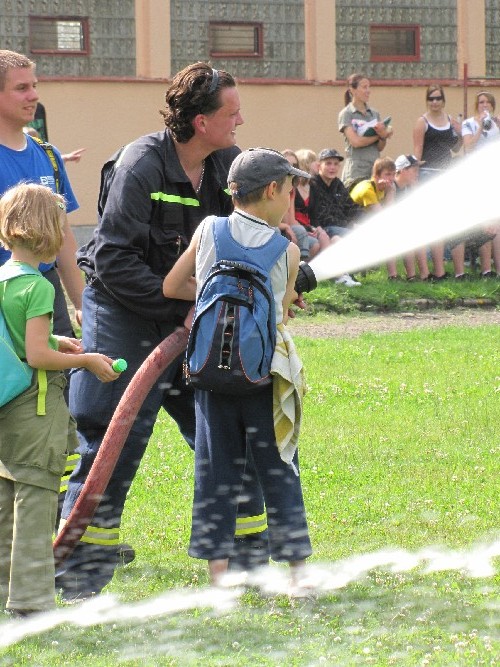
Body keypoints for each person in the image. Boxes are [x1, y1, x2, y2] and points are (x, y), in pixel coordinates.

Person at [58, 62, 272, 600]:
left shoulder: (224, 168)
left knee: (228, 429)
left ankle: (246, 560)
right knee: (114, 437)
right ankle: (79, 570)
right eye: (232, 112)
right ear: (201, 121)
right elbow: (113, 260)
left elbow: (245, 234)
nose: (240, 121)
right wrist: (180, 305)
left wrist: (285, 273)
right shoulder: (140, 166)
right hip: (125, 311)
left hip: (188, 312)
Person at [163, 148, 312, 589]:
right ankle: (299, 578)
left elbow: (173, 285)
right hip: (263, 377)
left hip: (210, 374)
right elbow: (280, 315)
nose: (289, 199)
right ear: (272, 190)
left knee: (215, 473)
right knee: (279, 468)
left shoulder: (208, 228)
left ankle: (217, 581)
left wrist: (211, 292)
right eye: (289, 190)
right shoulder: (287, 250)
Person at [0, 183, 118, 618]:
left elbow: (16, 340)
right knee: (35, 501)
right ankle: (32, 602)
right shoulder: (38, 287)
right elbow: (36, 357)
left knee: (6, 500)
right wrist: (86, 359)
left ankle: (5, 588)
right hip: (34, 407)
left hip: (5, 405)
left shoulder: (4, 278)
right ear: (49, 230)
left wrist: (57, 340)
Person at [0, 50, 83, 342]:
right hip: (5, 294)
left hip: (46, 290)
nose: (34, 95)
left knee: (62, 369)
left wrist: (82, 304)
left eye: (34, 86)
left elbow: (63, 236)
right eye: (22, 88)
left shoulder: (48, 155)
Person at [413, 83, 463, 280]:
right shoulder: (422, 122)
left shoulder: (450, 120)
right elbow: (417, 151)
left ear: (443, 100)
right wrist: (415, 178)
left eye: (438, 98)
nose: (434, 102)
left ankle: (442, 270)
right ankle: (436, 271)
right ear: (427, 101)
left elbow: (456, 148)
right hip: (428, 174)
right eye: (431, 98)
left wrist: (461, 133)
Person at [308, 148, 362, 286]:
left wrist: (356, 222)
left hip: (340, 227)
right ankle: (342, 275)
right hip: (323, 227)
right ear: (319, 166)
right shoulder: (313, 185)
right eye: (328, 163)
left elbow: (352, 207)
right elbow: (315, 214)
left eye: (336, 164)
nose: (332, 167)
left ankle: (344, 275)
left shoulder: (338, 184)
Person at [461, 91, 500, 277]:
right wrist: (480, 127)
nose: (484, 105)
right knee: (484, 221)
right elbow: (468, 146)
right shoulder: (468, 123)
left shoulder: (496, 124)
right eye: (481, 102)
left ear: (492, 105)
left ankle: (498, 269)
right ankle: (485, 268)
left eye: (488, 102)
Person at [338, 73, 393, 191]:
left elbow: (380, 147)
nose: (368, 91)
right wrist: (379, 135)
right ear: (352, 90)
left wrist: (383, 137)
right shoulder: (347, 113)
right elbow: (356, 142)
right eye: (364, 87)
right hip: (356, 170)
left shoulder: (374, 114)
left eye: (369, 87)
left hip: (374, 167)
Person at [350, 157, 398, 279]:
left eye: (393, 174)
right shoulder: (367, 189)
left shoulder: (383, 187)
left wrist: (390, 191)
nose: (392, 178)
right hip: (350, 223)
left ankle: (393, 275)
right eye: (388, 174)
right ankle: (392, 275)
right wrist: (391, 192)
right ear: (376, 176)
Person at [393, 154, 430, 281]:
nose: (417, 173)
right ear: (403, 170)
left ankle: (425, 275)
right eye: (414, 170)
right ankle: (412, 276)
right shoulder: (391, 187)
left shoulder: (409, 187)